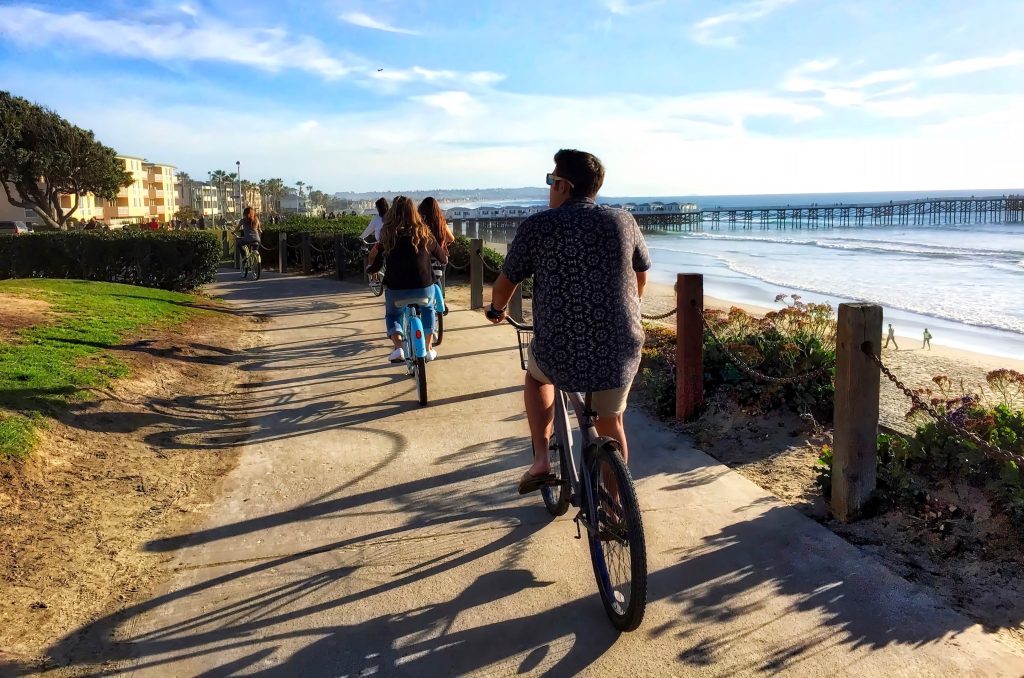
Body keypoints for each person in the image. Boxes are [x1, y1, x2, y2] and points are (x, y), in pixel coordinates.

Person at [485, 149, 649, 494]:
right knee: (611, 420)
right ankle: (615, 507)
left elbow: (504, 285)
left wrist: (497, 311)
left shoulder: (539, 226)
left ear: (563, 185)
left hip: (558, 347)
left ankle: (542, 460)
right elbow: (641, 278)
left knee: (536, 377)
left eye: (551, 180)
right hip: (619, 346)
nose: (550, 188)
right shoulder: (623, 221)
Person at [366, 196, 448, 363]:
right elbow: (443, 258)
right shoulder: (425, 233)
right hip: (423, 287)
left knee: (393, 315)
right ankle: (429, 348)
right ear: (414, 212)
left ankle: (398, 349)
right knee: (428, 309)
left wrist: (371, 269)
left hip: (396, 289)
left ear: (391, 213)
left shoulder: (387, 235)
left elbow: (377, 263)